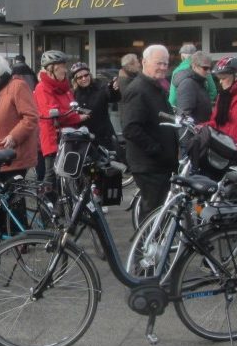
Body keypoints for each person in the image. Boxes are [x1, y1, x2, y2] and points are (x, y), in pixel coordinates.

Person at [122, 45, 178, 221]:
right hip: (149, 164)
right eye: (159, 63)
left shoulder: (156, 87)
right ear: (144, 62)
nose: (163, 67)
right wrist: (157, 150)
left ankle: (155, 244)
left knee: (159, 210)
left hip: (159, 162)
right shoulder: (138, 89)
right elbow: (131, 128)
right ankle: (145, 247)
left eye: (166, 64)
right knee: (153, 213)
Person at [0, 54, 39, 204]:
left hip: (11, 157)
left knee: (2, 203)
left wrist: (14, 136)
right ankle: (8, 227)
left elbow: (30, 117)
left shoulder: (17, 86)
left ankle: (16, 227)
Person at [34, 50, 87, 186]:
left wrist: (78, 113)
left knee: (73, 174)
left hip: (69, 136)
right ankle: (48, 205)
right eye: (62, 66)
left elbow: (70, 107)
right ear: (52, 69)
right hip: (53, 138)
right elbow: (54, 115)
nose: (65, 70)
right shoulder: (42, 88)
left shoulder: (64, 87)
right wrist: (77, 118)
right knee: (51, 177)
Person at [70, 62, 119, 150]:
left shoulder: (99, 87)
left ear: (90, 75)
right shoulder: (73, 94)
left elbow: (112, 97)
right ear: (75, 80)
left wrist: (113, 89)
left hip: (105, 136)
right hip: (85, 139)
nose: (84, 79)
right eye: (80, 77)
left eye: (86, 75)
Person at [169, 43, 216, 109]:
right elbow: (213, 91)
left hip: (184, 112)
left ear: (182, 57)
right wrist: (204, 103)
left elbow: (173, 99)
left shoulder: (176, 71)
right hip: (203, 111)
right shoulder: (203, 67)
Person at [174, 50, 214, 123]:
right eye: (205, 68)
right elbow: (184, 117)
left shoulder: (199, 81)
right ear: (194, 66)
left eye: (210, 68)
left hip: (201, 130)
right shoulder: (188, 84)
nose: (209, 71)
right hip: (195, 132)